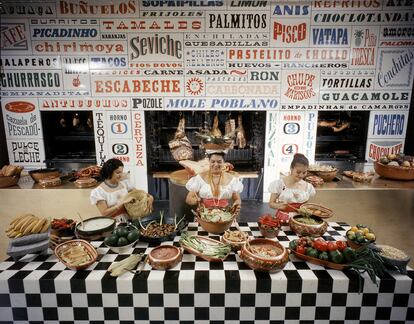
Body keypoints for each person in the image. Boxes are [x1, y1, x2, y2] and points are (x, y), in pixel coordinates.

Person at [90, 158, 153, 223]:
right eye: (118, 172)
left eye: (121, 172)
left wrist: (150, 197)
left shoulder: (124, 183)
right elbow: (104, 214)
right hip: (113, 223)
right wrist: (122, 203)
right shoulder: (98, 192)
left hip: (130, 219)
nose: (121, 175)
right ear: (109, 172)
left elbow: (139, 194)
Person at [268, 153, 316, 223]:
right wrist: (282, 206)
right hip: (283, 218)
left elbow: (306, 205)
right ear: (291, 168)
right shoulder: (279, 184)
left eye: (304, 172)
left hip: (302, 220)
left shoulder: (308, 187)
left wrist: (306, 210)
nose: (301, 175)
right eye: (298, 172)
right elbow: (271, 203)